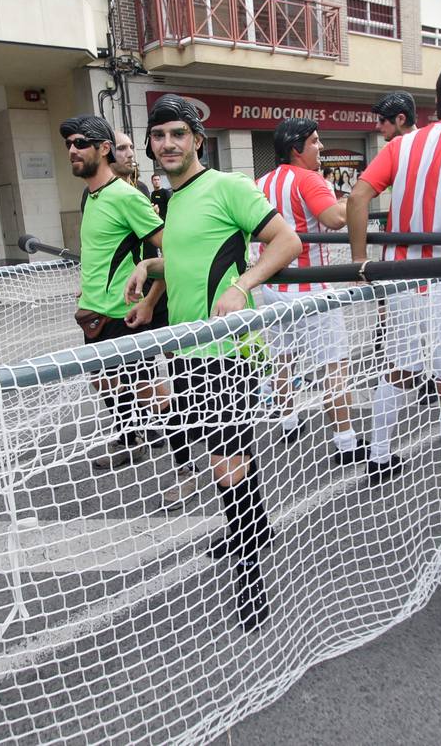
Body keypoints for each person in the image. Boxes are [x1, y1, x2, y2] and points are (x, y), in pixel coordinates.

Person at [125, 93, 302, 633]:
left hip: (228, 351)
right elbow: (188, 257)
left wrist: (243, 287)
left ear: (198, 140)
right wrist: (150, 278)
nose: (168, 143)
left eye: (178, 134)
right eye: (159, 135)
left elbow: (287, 241)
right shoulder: (172, 198)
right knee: (226, 456)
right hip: (187, 350)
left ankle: (251, 581)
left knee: (228, 464)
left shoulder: (228, 186)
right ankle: (254, 527)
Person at [346, 57, 441, 492]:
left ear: (438, 100)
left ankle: (378, 456)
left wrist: (360, 262)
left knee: (399, 369)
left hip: (402, 280)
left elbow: (357, 198)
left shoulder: (404, 144)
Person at [65, 114, 167, 473]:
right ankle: (130, 439)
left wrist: (150, 297)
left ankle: (185, 454)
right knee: (104, 383)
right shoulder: (91, 196)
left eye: (81, 143)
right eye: (69, 144)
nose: (72, 150)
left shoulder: (126, 196)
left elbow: (171, 248)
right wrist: (88, 284)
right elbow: (100, 249)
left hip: (125, 311)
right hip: (93, 311)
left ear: (103, 148)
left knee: (145, 388)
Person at [256, 118, 360, 463]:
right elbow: (334, 219)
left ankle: (288, 422)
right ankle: (345, 442)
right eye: (314, 141)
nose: (321, 147)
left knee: (283, 360)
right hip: (312, 289)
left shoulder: (261, 182)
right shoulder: (309, 179)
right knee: (334, 365)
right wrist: (353, 200)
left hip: (274, 288)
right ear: (295, 148)